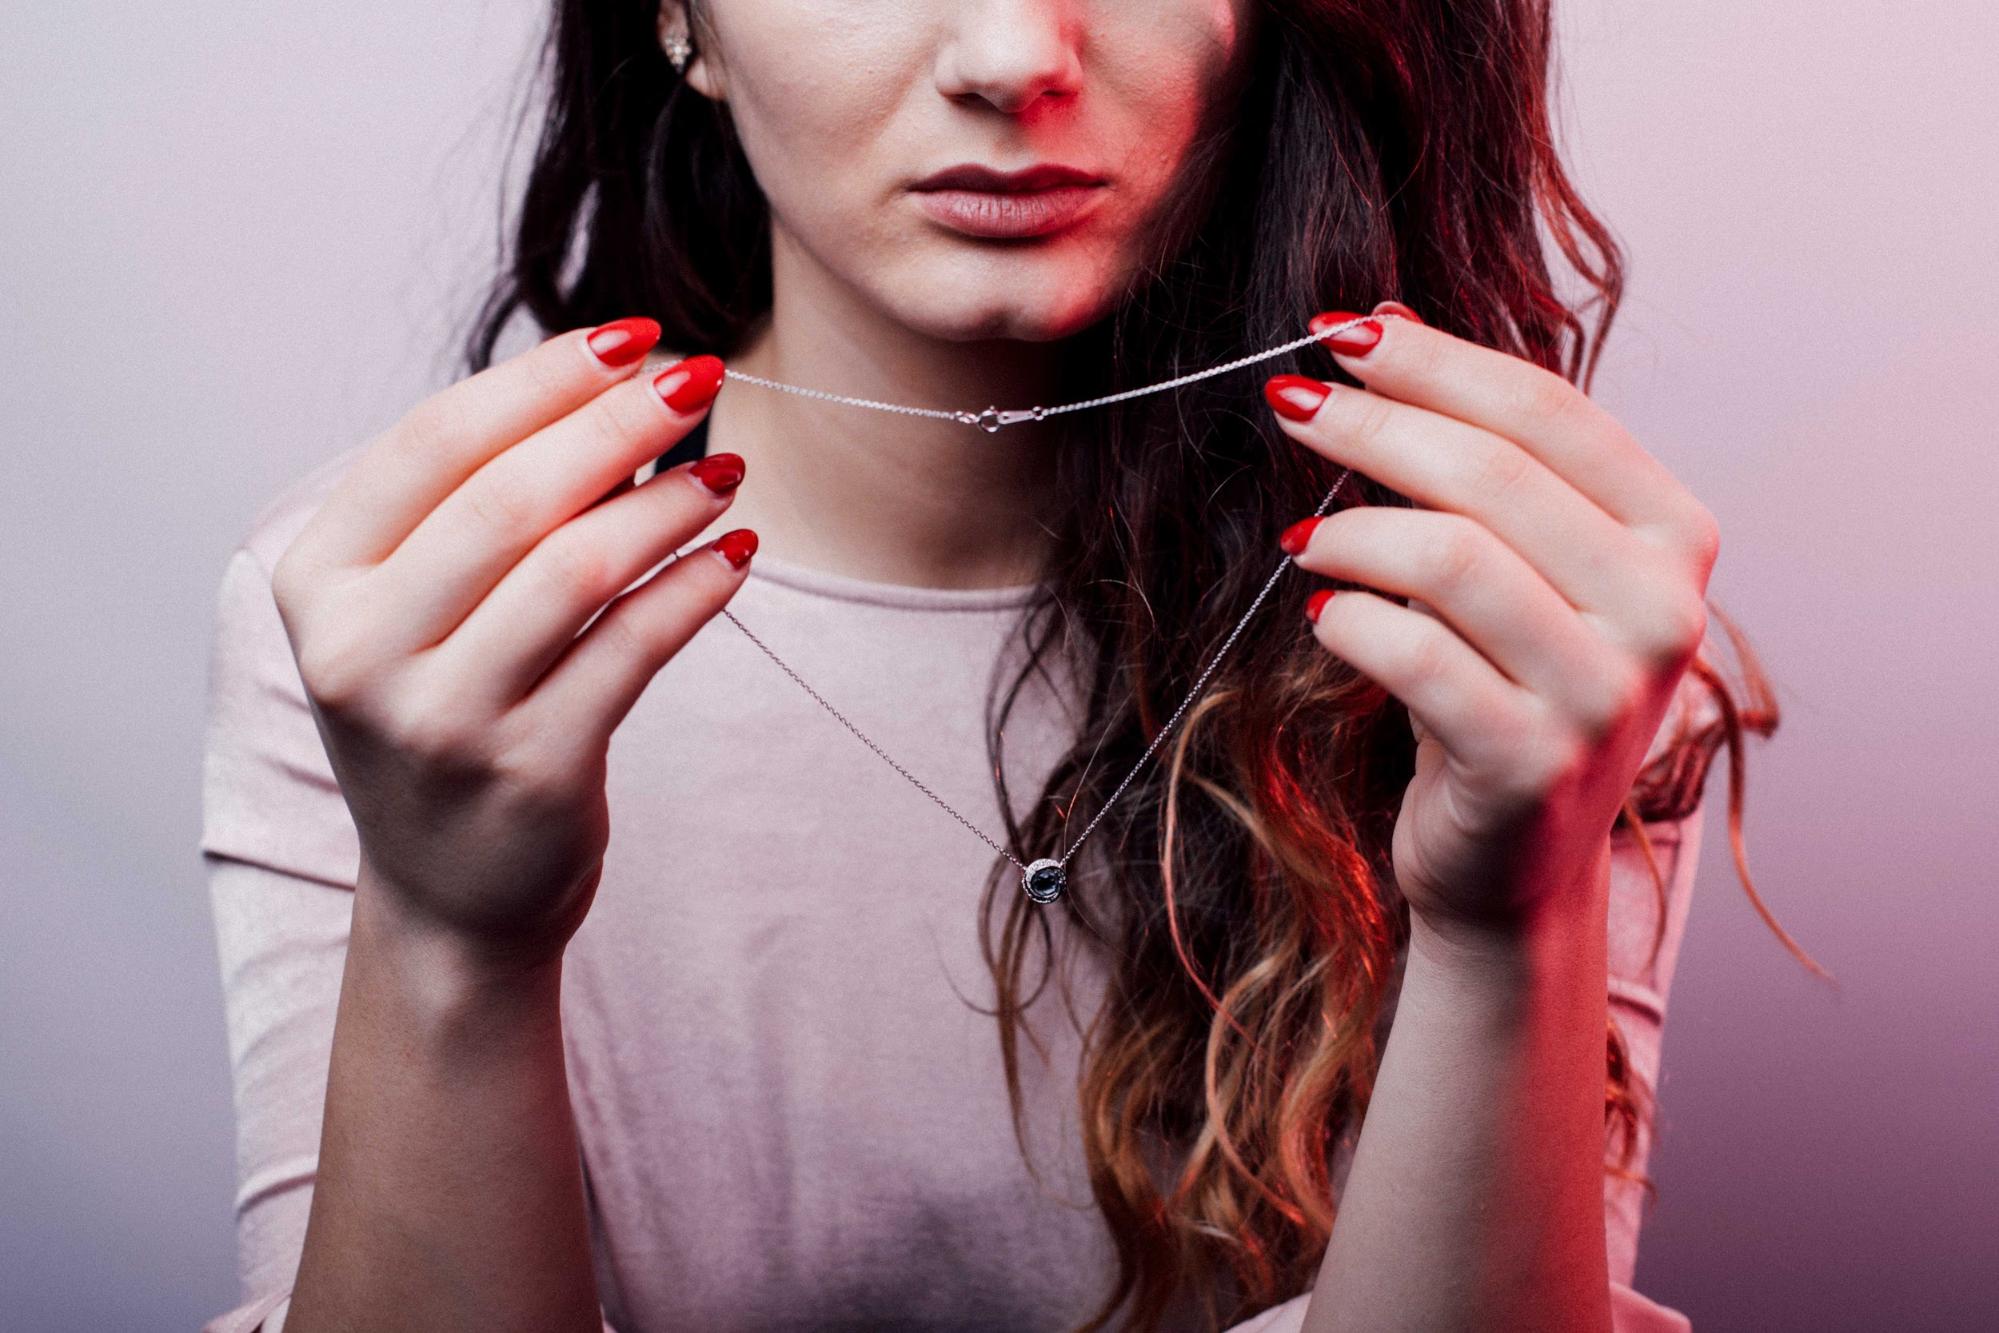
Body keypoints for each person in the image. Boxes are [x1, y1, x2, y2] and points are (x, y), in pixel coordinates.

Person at [201, 1, 1786, 1329]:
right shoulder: (400, 643)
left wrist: (1510, 921)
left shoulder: (1514, 636)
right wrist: (449, 934)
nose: (1015, 52)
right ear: (676, 12)